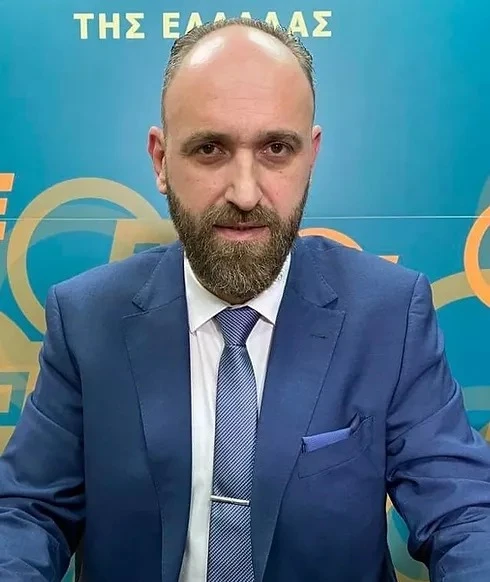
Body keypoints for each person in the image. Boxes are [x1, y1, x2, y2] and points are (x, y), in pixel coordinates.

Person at [0, 16, 489, 582]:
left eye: (276, 149)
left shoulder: (389, 314)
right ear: (161, 160)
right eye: (210, 149)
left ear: (311, 155)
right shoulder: (86, 319)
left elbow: (465, 513)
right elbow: (27, 513)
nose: (245, 192)